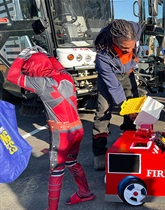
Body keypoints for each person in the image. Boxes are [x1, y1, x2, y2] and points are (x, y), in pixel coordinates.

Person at [7, 47, 95, 210]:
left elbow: (11, 76)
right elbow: (57, 65)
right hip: (77, 129)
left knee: (56, 171)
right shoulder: (67, 77)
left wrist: (21, 57)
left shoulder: (41, 84)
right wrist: (48, 55)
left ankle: (52, 208)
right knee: (72, 162)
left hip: (61, 134)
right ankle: (85, 192)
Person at [92, 19, 140, 170]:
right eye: (125, 48)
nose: (128, 51)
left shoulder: (135, 29)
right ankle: (99, 154)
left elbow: (133, 49)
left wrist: (134, 60)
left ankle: (129, 141)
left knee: (134, 107)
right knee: (103, 111)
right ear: (114, 41)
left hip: (128, 73)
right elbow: (114, 87)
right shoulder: (103, 56)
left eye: (131, 47)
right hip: (110, 78)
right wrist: (125, 107)